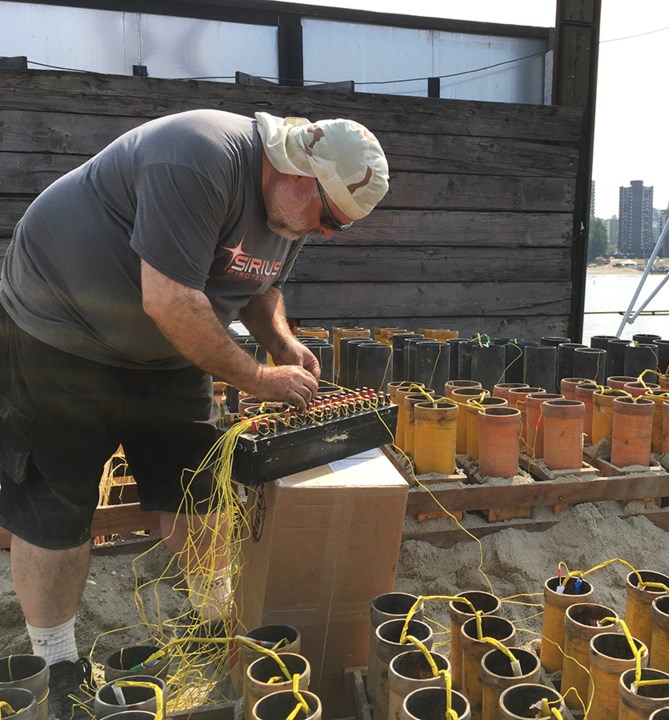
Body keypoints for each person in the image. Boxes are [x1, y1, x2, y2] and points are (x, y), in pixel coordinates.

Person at [0, 109, 389, 718]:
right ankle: (56, 660)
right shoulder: (198, 156)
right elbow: (170, 298)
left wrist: (281, 342)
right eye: (330, 218)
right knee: (56, 502)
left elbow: (258, 285)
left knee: (196, 486)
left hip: (163, 343)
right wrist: (258, 377)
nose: (325, 233)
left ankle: (209, 618)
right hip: (61, 328)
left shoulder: (291, 211)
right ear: (301, 175)